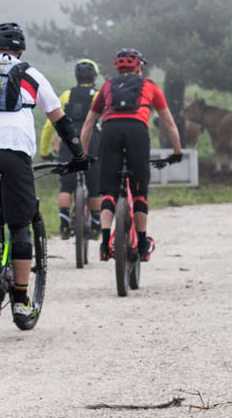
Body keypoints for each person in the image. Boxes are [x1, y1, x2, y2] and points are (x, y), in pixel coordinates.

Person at [0, 22, 83, 322]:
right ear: (20, 51)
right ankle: (21, 301)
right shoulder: (32, 75)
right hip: (14, 150)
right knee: (20, 225)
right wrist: (79, 155)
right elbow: (60, 121)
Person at [78, 48, 184, 262]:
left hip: (110, 131)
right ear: (139, 67)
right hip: (137, 131)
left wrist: (84, 154)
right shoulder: (149, 85)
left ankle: (104, 243)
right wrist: (177, 151)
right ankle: (143, 243)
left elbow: (89, 124)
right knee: (139, 192)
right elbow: (169, 123)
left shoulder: (107, 86)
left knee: (108, 191)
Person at [38, 57, 102, 238]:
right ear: (95, 77)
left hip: (69, 140)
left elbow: (49, 126)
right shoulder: (98, 95)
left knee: (66, 185)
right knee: (94, 185)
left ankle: (64, 225)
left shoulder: (67, 95)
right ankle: (96, 226)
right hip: (92, 140)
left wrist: (44, 152)